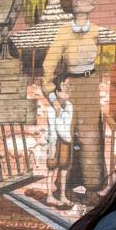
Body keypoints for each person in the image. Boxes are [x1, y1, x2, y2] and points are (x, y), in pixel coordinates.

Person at [42, 0, 105, 204]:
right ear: (76, 1)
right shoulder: (63, 34)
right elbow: (47, 69)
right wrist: (54, 100)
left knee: (91, 139)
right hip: (70, 88)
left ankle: (91, 189)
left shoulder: (97, 31)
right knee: (66, 138)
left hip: (90, 86)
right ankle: (63, 188)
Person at [45, 76, 75, 208]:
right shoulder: (51, 109)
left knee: (64, 170)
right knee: (52, 169)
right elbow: (54, 129)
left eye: (69, 85)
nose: (68, 88)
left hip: (65, 141)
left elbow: (66, 125)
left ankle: (63, 195)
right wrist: (52, 150)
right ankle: (49, 196)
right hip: (55, 142)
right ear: (57, 91)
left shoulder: (69, 106)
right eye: (65, 85)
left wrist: (68, 139)